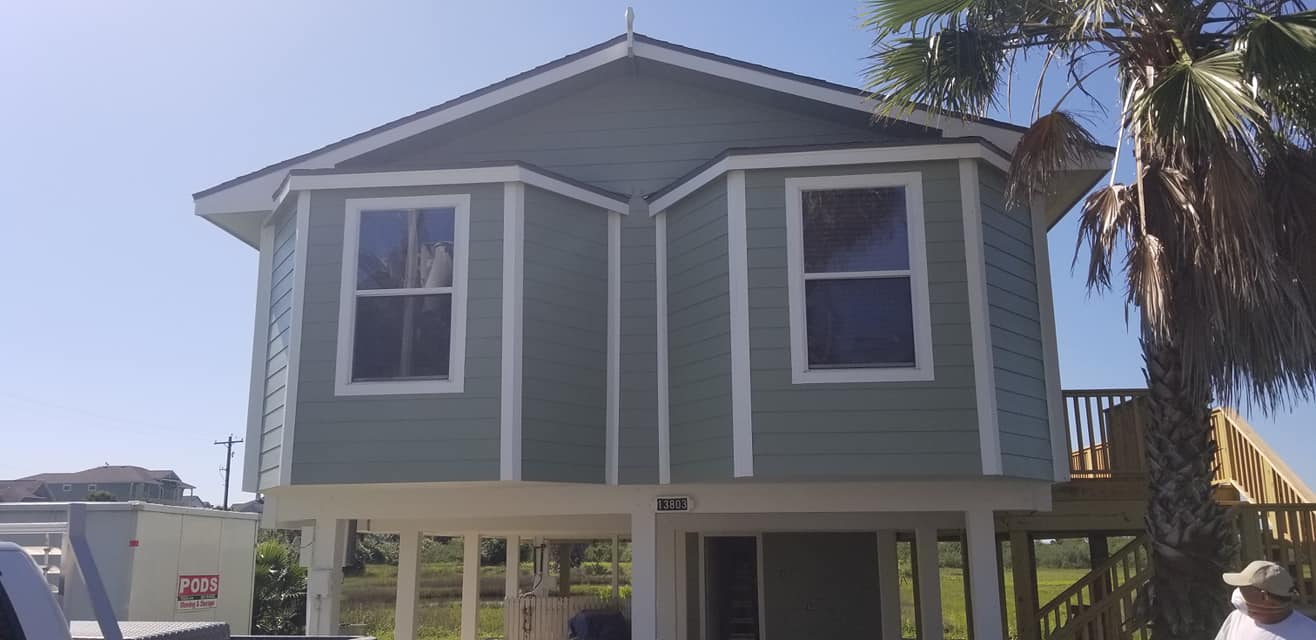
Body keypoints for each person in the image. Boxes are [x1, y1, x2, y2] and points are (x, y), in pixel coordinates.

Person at [1215, 560, 1316, 639]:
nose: (1237, 591)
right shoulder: (1236, 618)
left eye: (1243, 587)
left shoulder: (1309, 634)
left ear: (1264, 597)